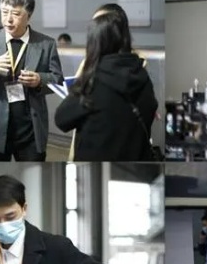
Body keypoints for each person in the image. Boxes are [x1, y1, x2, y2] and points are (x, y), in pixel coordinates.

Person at [0, 0, 63, 161]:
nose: (8, 19)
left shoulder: (46, 43)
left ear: (29, 16)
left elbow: (57, 79)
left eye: (16, 14)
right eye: (4, 12)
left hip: (30, 128)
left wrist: (40, 80)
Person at [55, 10, 158, 161]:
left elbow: (62, 119)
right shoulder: (142, 75)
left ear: (95, 43)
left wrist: (81, 79)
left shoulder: (93, 82)